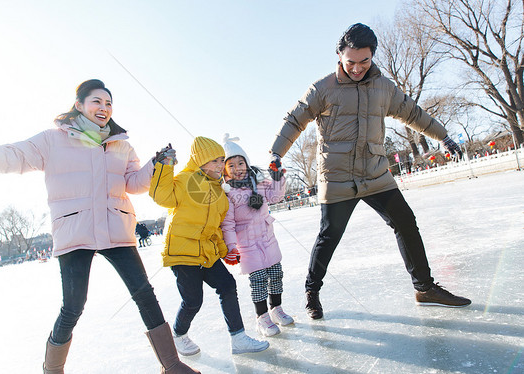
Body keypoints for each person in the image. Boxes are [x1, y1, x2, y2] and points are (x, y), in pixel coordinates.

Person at [0, 79, 198, 373]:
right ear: (79, 105)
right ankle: (53, 369)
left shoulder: (121, 144)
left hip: (116, 228)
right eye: (97, 102)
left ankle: (172, 364)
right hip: (75, 230)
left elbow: (133, 184)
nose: (104, 108)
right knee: (73, 306)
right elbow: (11, 156)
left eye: (109, 103)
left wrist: (156, 163)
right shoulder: (52, 139)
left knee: (144, 293)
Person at [269, 24, 471, 320]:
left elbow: (413, 113)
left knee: (405, 222)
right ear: (339, 56)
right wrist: (276, 153)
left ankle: (424, 288)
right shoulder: (322, 88)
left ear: (372, 57)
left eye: (364, 61)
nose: (357, 68)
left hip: (375, 172)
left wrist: (444, 136)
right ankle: (312, 292)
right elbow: (295, 119)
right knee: (330, 236)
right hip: (337, 177)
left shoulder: (383, 87)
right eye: (351, 62)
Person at [149, 136, 269, 356]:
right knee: (193, 300)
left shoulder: (220, 193)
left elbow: (216, 228)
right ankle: (179, 334)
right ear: (201, 161)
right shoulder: (185, 180)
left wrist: (225, 251)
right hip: (182, 253)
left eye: (222, 160)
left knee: (227, 286)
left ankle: (238, 337)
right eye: (214, 160)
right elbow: (161, 195)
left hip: (207, 253)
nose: (220, 165)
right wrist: (164, 167)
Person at [220, 134, 294, 337]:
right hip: (247, 243)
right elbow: (227, 223)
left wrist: (277, 177)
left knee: (276, 273)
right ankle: (262, 317)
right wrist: (230, 247)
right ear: (225, 170)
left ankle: (276, 309)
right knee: (259, 279)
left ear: (247, 163)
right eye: (231, 165)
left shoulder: (259, 183)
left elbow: (276, 196)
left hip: (267, 238)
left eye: (240, 163)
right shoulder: (226, 194)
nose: (238, 168)